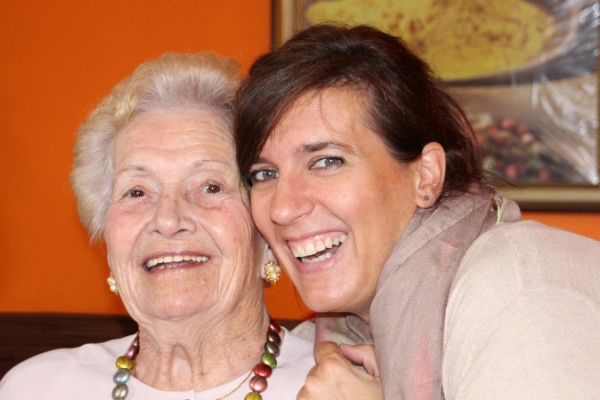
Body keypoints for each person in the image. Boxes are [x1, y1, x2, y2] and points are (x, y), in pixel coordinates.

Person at [234, 24, 600, 400]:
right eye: (264, 174)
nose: (282, 207)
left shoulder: (524, 292)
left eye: (327, 161)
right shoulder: (323, 346)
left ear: (426, 176)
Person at [0, 52, 314, 399]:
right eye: (137, 192)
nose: (167, 220)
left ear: (266, 239)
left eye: (210, 186)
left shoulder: (342, 388)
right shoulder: (36, 388)